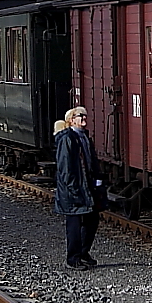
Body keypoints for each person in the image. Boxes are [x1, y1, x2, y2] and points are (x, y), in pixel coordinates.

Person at [54, 106, 104, 270]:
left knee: (92, 221)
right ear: (71, 120)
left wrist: (98, 181)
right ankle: (73, 258)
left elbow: (91, 162)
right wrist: (73, 190)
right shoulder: (67, 139)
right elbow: (65, 168)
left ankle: (83, 253)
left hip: (86, 187)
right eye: (80, 116)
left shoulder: (84, 137)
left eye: (85, 115)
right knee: (74, 226)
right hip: (73, 190)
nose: (84, 118)